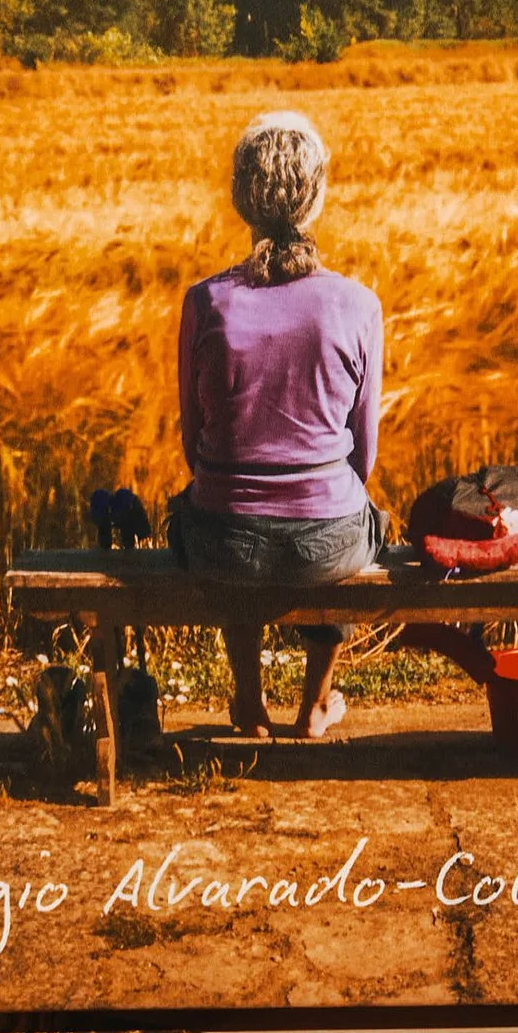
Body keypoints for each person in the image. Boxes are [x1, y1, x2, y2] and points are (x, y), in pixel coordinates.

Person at [172, 110, 384, 741]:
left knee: (213, 506)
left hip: (220, 540)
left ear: (243, 199)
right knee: (349, 505)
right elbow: (363, 456)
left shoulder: (204, 302)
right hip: (330, 542)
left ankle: (247, 699)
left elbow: (194, 446)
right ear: (315, 197)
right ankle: (317, 701)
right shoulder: (357, 303)